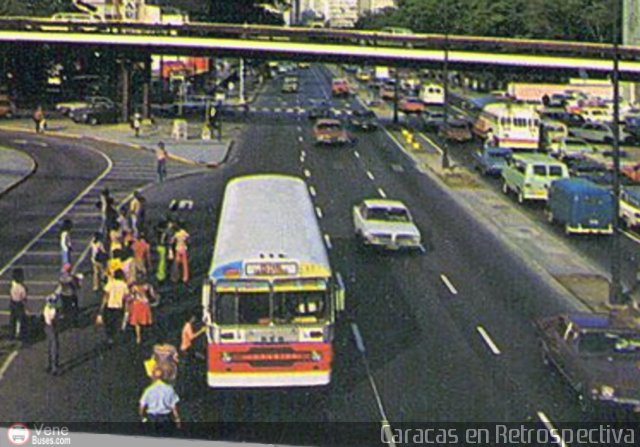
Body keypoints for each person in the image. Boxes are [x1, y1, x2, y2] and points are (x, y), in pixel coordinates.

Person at [139, 366, 181, 433]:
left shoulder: (148, 390)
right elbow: (174, 407)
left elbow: (142, 407)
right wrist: (177, 420)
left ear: (153, 376)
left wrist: (143, 418)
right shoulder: (169, 389)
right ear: (164, 376)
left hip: (152, 418)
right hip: (165, 418)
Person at [100, 269, 129, 345]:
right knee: (116, 323)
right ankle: (115, 337)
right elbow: (125, 298)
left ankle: (110, 337)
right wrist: (126, 309)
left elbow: (106, 297)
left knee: (109, 323)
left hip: (110, 306)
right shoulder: (124, 285)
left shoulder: (110, 283)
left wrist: (101, 309)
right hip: (119, 307)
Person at [128, 278, 156, 345]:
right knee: (144, 321)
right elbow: (152, 295)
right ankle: (145, 336)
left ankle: (138, 337)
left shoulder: (134, 287)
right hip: (145, 304)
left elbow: (131, 296)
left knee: (137, 323)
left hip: (136, 304)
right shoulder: (147, 286)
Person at [43, 293, 62, 375]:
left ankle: (49, 364)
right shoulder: (53, 311)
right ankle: (54, 367)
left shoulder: (46, 308)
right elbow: (54, 319)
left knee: (49, 344)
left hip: (47, 326)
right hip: (52, 327)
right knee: (54, 345)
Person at [58, 263, 81, 327]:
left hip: (63, 294)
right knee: (74, 308)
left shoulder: (61, 277)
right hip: (71, 294)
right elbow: (76, 286)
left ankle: (65, 321)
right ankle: (74, 322)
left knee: (65, 308)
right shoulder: (71, 278)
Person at [9, 268, 27, 340]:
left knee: (13, 319)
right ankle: (20, 334)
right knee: (21, 319)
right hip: (19, 304)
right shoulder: (21, 288)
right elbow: (24, 297)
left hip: (12, 303)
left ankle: (12, 334)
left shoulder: (13, 285)